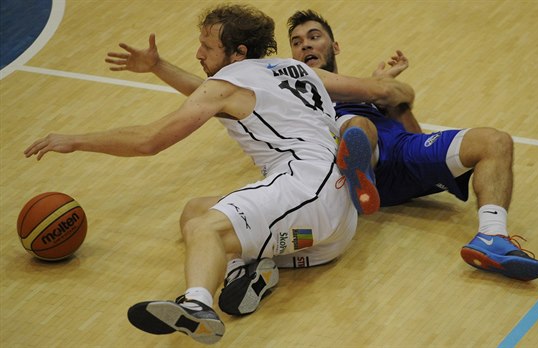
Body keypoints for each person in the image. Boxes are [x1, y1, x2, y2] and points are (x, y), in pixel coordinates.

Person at [25, 4, 414, 344]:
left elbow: (150, 140)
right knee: (194, 212)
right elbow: (383, 92)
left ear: (238, 53)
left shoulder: (230, 83)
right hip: (327, 228)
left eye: (207, 47)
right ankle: (253, 270)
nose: (198, 53)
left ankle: (197, 305)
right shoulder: (296, 69)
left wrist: (74, 140)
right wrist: (401, 104)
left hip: (305, 188)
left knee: (204, 229)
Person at [105, 10, 538, 283]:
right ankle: (357, 170)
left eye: (313, 37)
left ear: (334, 46)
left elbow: (402, 104)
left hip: (401, 158)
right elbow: (211, 91)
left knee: (495, 141)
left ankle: (492, 238)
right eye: (296, 42)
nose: (304, 45)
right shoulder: (290, 90)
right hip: (341, 173)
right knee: (352, 126)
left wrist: (387, 88)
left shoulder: (344, 82)